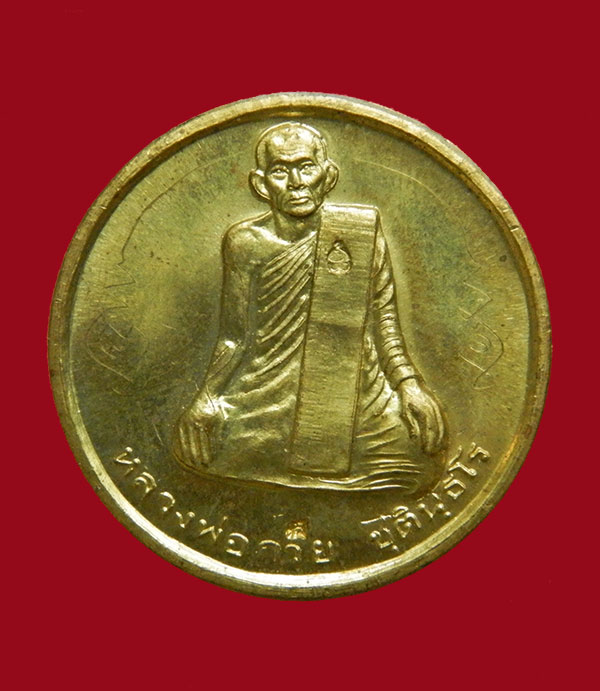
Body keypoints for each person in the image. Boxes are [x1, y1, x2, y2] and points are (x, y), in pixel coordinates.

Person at [175, 122, 446, 493]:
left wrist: (409, 386)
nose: (296, 182)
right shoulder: (245, 243)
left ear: (328, 176)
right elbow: (234, 336)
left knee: (421, 465)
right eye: (280, 171)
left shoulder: (359, 232)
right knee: (201, 454)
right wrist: (206, 399)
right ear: (260, 185)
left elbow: (383, 321)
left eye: (306, 167)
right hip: (266, 397)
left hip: (355, 394)